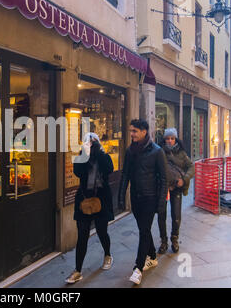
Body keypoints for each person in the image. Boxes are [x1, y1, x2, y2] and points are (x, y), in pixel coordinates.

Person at [118, 119, 168, 285]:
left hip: (150, 198)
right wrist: (120, 196)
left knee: (144, 230)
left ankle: (138, 268)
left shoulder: (157, 151)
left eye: (134, 131)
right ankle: (152, 257)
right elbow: (125, 174)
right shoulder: (130, 151)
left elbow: (164, 179)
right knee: (144, 230)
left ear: (144, 131)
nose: (131, 134)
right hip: (136, 198)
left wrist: (161, 203)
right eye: (131, 131)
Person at [65, 133, 115, 284]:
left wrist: (99, 152)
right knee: (82, 236)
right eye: (88, 142)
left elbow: (109, 169)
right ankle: (78, 270)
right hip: (84, 200)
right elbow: (78, 172)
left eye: (93, 143)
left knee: (102, 231)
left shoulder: (104, 156)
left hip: (102, 200)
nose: (91, 145)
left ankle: (107, 255)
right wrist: (84, 155)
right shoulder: (81, 157)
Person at [157, 128, 195, 254]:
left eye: (172, 138)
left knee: (176, 215)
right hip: (163, 188)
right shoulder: (159, 151)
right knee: (161, 215)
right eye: (167, 138)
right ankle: (163, 241)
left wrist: (184, 179)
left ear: (176, 139)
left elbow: (191, 167)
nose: (170, 141)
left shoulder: (181, 153)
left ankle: (174, 239)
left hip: (177, 187)